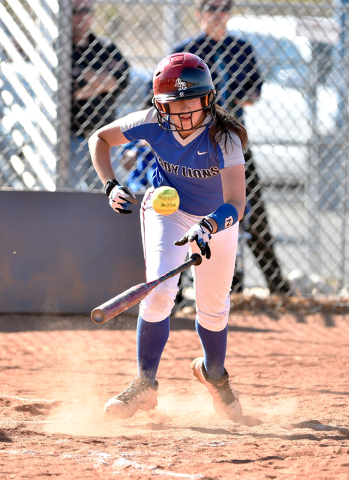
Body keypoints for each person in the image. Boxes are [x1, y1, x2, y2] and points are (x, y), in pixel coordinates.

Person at [89, 53, 247, 422]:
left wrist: (208, 225)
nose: (184, 112)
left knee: (213, 306)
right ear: (159, 105)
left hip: (217, 220)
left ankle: (214, 375)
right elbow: (100, 139)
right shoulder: (149, 123)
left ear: (208, 99)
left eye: (192, 101)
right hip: (167, 212)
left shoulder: (225, 137)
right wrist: (110, 184)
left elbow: (236, 203)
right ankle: (144, 385)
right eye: (174, 104)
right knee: (159, 291)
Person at [172, 0, 292, 295]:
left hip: (231, 139)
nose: (219, 14)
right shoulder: (186, 51)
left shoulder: (241, 48)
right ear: (199, 14)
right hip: (196, 142)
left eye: (224, 7)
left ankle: (276, 285)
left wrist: (247, 96)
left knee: (252, 209)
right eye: (212, 8)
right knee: (193, 210)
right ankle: (181, 285)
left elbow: (255, 88)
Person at [70, 0, 130, 189]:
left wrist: (82, 74)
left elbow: (121, 80)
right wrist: (104, 81)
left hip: (104, 134)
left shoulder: (105, 47)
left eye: (87, 11)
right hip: (71, 134)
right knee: (67, 191)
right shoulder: (63, 49)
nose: (83, 16)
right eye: (77, 11)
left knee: (106, 192)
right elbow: (72, 89)